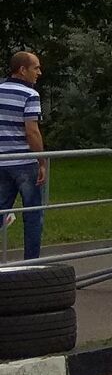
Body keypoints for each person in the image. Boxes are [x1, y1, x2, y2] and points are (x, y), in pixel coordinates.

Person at [0, 50, 46, 260]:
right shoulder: (30, 95)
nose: (39, 72)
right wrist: (42, 160)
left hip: (2, 160)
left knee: (1, 210)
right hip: (25, 162)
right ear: (22, 70)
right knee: (33, 215)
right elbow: (32, 131)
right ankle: (31, 264)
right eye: (35, 68)